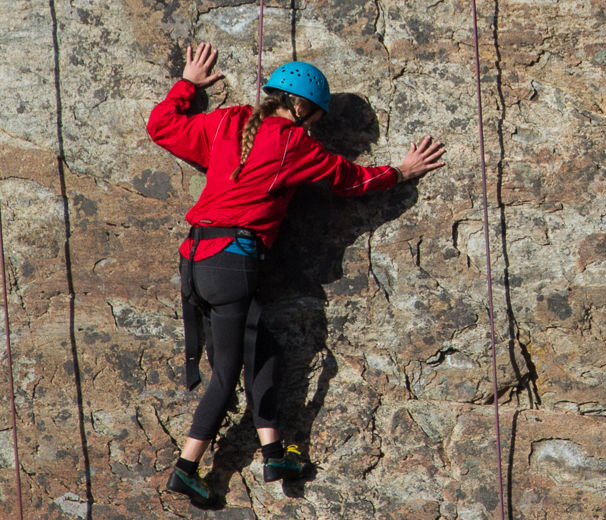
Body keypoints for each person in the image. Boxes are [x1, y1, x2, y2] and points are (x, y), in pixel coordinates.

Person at [146, 42, 445, 507]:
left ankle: (272, 453)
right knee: (226, 373)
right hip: (234, 262)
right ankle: (186, 468)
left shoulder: (229, 121)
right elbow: (351, 180)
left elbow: (162, 126)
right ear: (305, 110)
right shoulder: (295, 145)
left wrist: (187, 84)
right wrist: (401, 172)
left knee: (261, 348)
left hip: (199, 258)